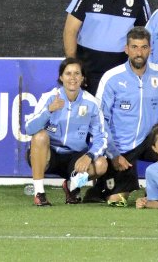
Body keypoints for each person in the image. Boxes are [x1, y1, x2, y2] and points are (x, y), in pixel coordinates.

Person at [91, 27, 158, 206]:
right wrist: (114, 154)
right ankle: (103, 186)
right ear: (126, 49)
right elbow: (99, 121)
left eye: (144, 47)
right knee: (116, 200)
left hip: (151, 141)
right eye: (134, 47)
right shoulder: (111, 78)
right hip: (121, 147)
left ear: (150, 49)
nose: (139, 53)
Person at [62, 0, 150, 94]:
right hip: (87, 71)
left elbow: (145, 37)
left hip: (121, 74)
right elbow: (70, 30)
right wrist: (73, 66)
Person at [25, 57, 109, 206]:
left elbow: (101, 138)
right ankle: (39, 193)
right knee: (39, 136)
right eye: (68, 73)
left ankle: (71, 186)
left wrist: (89, 155)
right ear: (61, 77)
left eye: (77, 73)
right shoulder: (49, 98)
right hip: (49, 155)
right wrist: (48, 111)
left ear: (82, 77)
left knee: (101, 164)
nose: (73, 78)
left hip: (75, 158)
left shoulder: (92, 103)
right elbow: (29, 128)